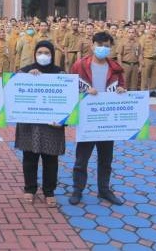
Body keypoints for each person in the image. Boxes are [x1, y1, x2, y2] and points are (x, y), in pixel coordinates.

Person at [69, 31, 126, 206]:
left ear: (111, 48)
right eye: (99, 45)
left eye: (106, 46)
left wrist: (122, 91)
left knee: (106, 159)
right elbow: (70, 88)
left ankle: (104, 190)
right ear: (92, 45)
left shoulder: (115, 68)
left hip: (107, 121)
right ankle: (78, 189)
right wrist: (85, 92)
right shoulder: (79, 65)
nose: (102, 49)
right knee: (82, 159)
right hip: (88, 120)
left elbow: (122, 85)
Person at [15, 40, 65, 207]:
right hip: (30, 125)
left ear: (52, 54)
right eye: (40, 53)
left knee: (51, 159)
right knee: (29, 157)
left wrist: (64, 121)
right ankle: (30, 189)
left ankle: (49, 191)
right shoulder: (26, 71)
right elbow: (13, 89)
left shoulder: (60, 74)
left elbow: (68, 99)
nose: (43, 56)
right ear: (35, 54)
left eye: (47, 53)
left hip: (52, 125)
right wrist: (26, 78)